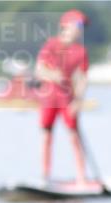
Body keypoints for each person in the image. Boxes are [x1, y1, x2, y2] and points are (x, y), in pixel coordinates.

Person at [35, 9, 90, 186]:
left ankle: (81, 177)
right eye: (78, 25)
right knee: (46, 136)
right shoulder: (51, 45)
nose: (80, 29)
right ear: (66, 25)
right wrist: (53, 75)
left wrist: (78, 101)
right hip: (49, 98)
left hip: (68, 99)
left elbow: (82, 79)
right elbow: (39, 70)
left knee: (74, 137)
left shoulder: (81, 51)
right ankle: (45, 176)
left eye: (82, 26)